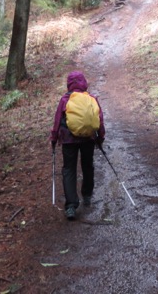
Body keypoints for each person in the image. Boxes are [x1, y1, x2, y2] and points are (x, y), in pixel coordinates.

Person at [50, 71, 105, 220]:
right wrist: (100, 137)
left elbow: (57, 121)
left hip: (68, 140)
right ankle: (87, 195)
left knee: (69, 169)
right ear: (84, 82)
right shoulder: (91, 98)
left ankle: (71, 206)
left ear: (69, 83)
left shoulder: (65, 99)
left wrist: (54, 138)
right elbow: (99, 118)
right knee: (88, 166)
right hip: (88, 138)